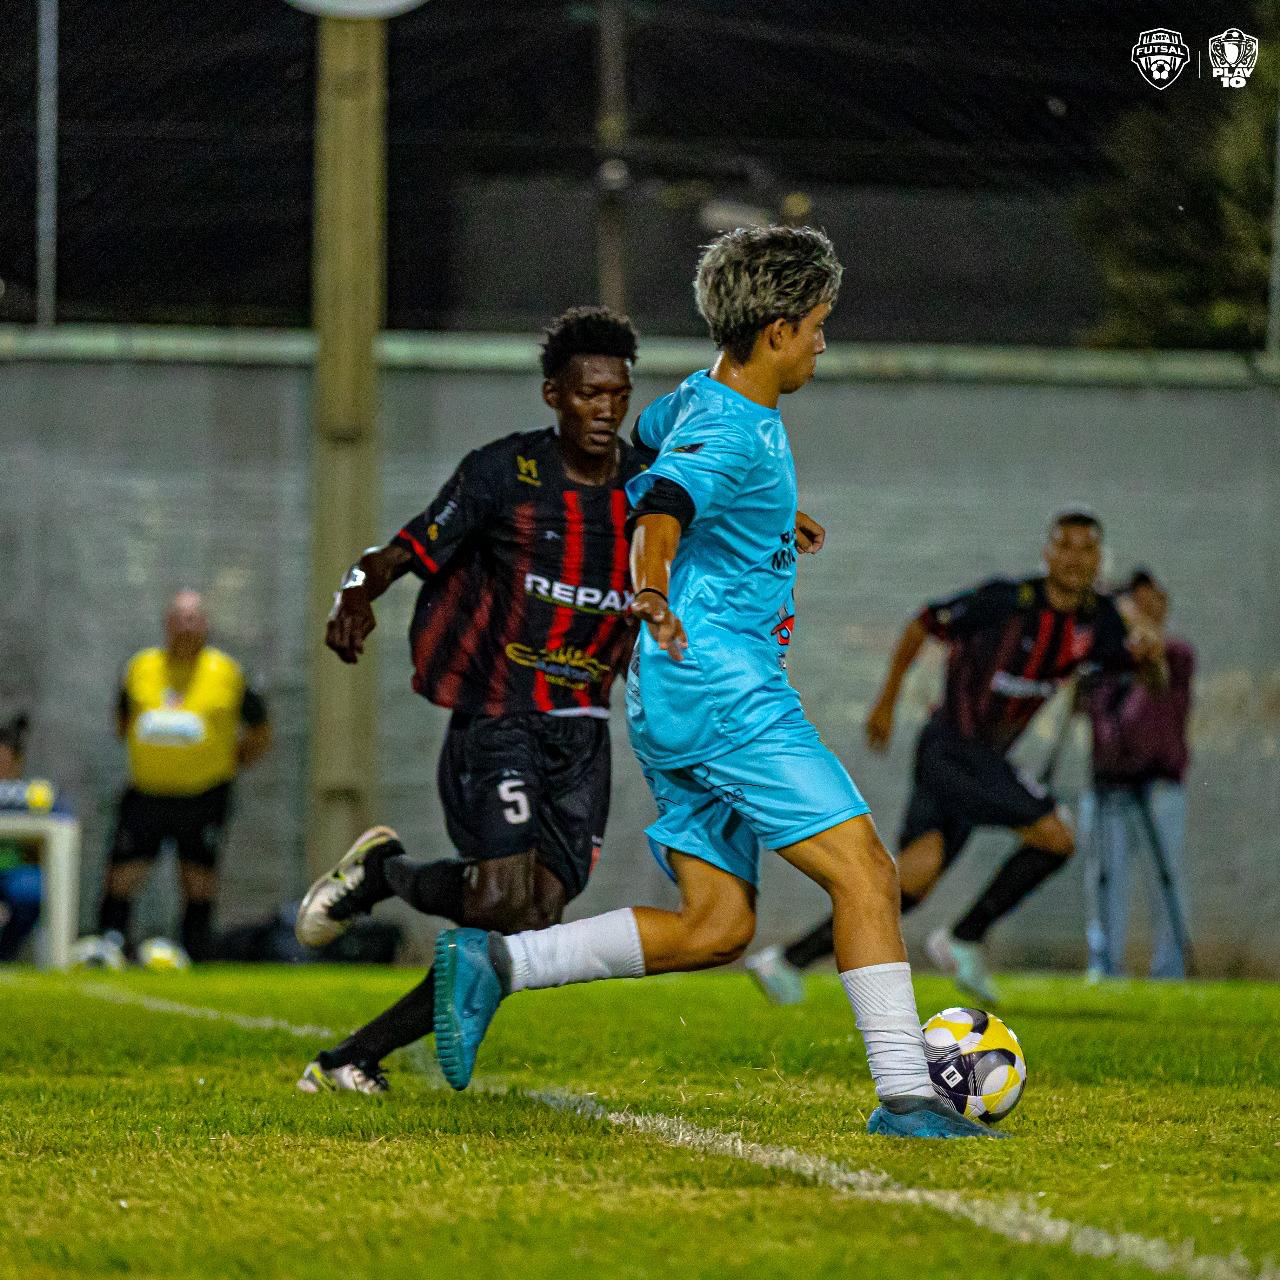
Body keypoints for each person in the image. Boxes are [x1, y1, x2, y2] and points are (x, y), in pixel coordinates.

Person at [427, 225, 999, 1139]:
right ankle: (908, 1098)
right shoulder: (734, 432)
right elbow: (662, 502)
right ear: (776, 330)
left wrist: (769, 519)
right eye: (816, 324)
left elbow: (637, 459)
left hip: (672, 692)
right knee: (866, 876)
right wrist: (650, 583)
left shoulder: (700, 400)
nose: (822, 341)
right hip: (727, 690)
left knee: (718, 926)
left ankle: (498, 964)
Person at [294, 306, 648, 1094]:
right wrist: (354, 594)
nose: (606, 411)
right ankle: (358, 1036)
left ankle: (380, 898)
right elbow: (397, 552)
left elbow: (709, 514)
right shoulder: (503, 474)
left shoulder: (648, 484)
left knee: (529, 923)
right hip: (499, 713)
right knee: (494, 901)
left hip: (584, 725)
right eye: (590, 395)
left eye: (618, 396)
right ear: (554, 395)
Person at [747, 511, 1164, 1007]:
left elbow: (1148, 676)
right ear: (1047, 553)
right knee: (1058, 836)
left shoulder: (1099, 623)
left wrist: (1153, 653)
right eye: (1065, 546)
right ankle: (965, 937)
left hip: (977, 761)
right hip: (950, 748)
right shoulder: (1004, 601)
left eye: (1087, 549)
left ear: (1100, 559)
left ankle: (786, 960)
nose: (1075, 558)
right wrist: (886, 700)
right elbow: (923, 623)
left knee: (911, 881)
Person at [96, 591, 271, 963]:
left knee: (198, 877)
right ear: (167, 624)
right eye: (180, 618)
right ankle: (110, 944)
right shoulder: (141, 667)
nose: (187, 626)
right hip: (147, 792)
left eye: (194, 619)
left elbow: (259, 729)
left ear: (206, 624)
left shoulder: (226, 672)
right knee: (124, 872)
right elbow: (122, 720)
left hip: (203, 794)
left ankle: (195, 949)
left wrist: (231, 761)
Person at [1079, 568, 1193, 979]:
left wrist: (1134, 627)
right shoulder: (1102, 663)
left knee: (1167, 880)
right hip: (1108, 786)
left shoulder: (1176, 655)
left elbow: (1156, 686)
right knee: (1105, 882)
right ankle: (1105, 965)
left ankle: (1171, 967)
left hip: (1159, 786)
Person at [0, 716, 44, 961]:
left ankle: (6, 953)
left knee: (31, 888)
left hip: (13, 872)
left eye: (4, 763)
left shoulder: (32, 797)